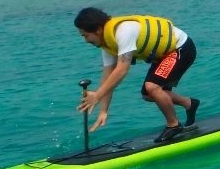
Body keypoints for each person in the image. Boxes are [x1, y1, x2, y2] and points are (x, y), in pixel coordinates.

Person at [73, 8, 200, 143]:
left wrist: (97, 95)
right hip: (166, 55)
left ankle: (173, 125)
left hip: (182, 48)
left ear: (98, 30)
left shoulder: (124, 31)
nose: (86, 41)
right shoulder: (108, 46)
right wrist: (103, 110)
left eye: (85, 35)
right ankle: (189, 104)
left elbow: (122, 70)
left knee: (152, 87)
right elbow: (107, 79)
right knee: (148, 94)